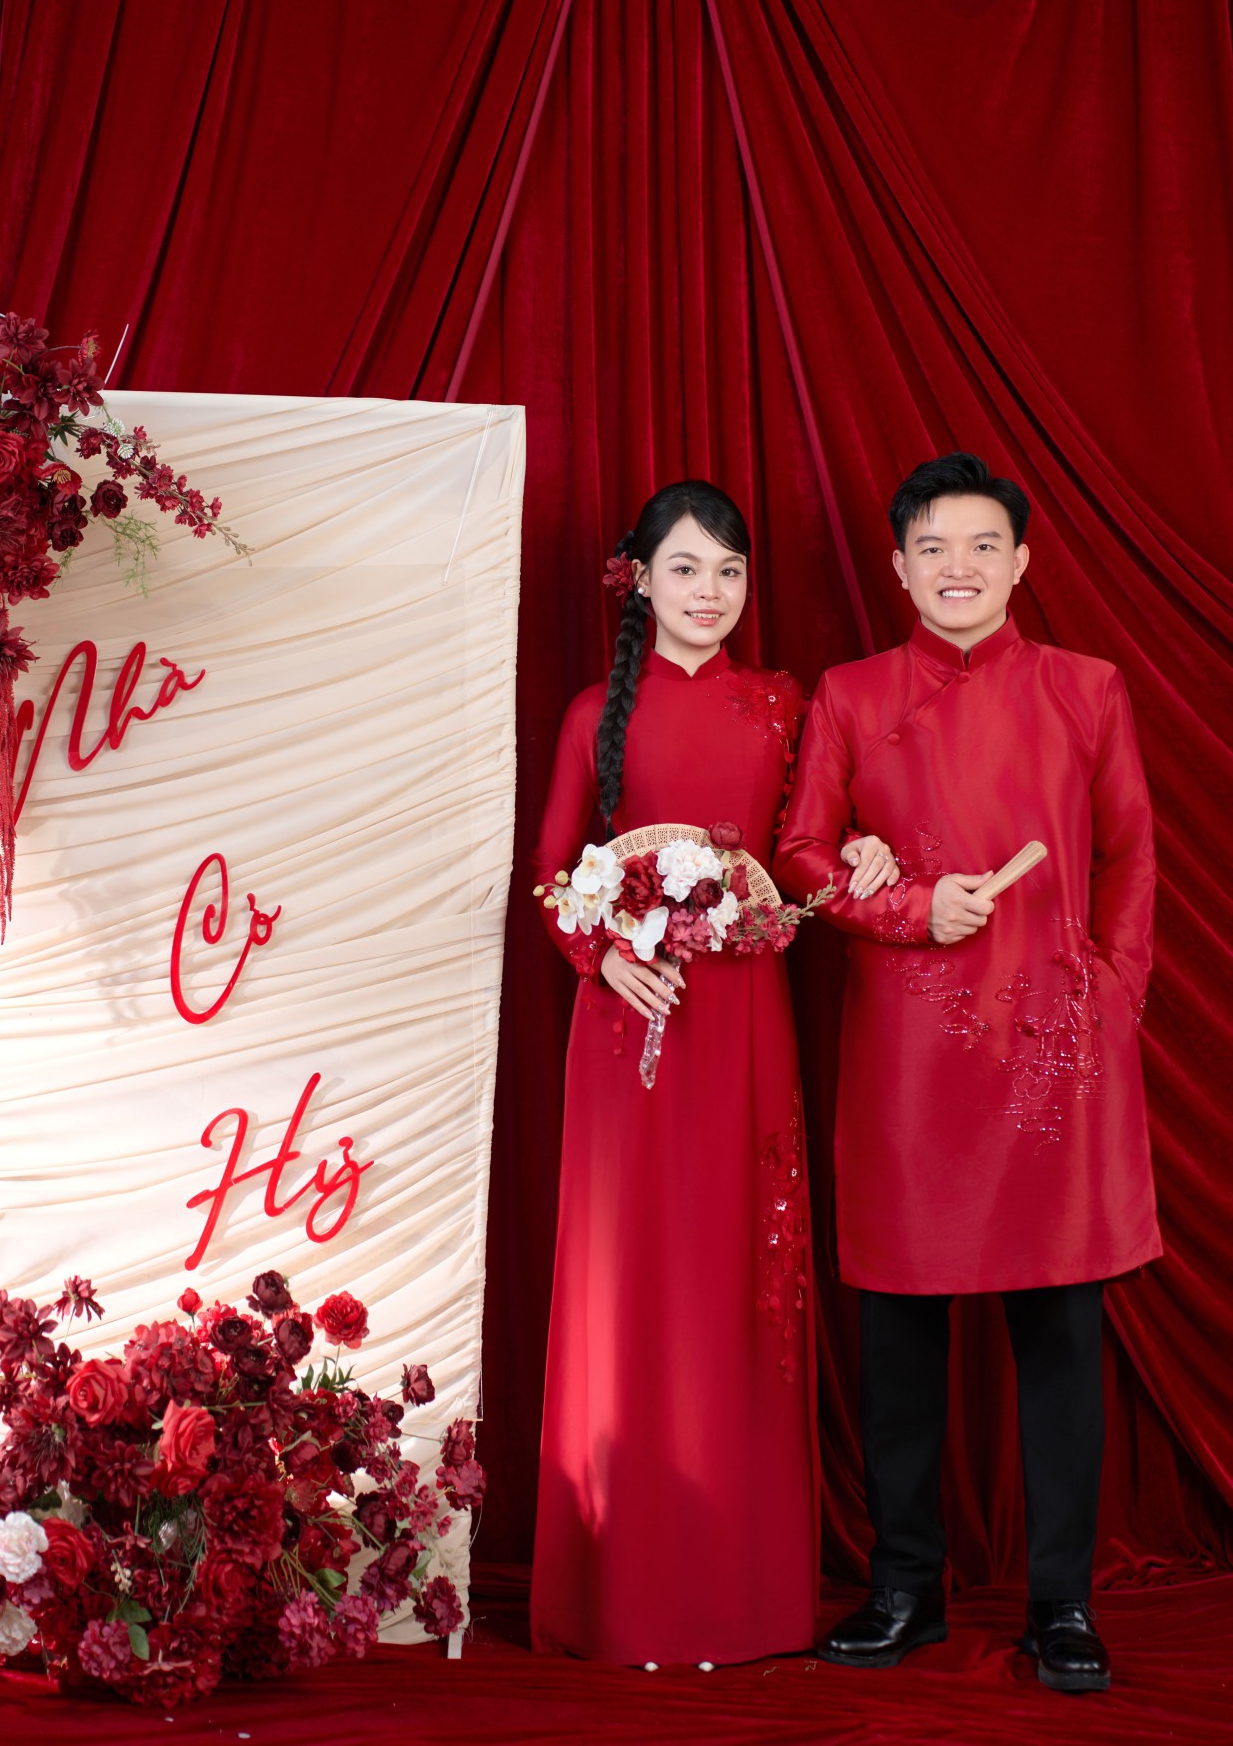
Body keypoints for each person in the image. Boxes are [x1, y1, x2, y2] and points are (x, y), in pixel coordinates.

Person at [773, 451, 1161, 1696]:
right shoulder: (848, 694)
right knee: (898, 1335)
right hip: (906, 1059)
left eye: (982, 544)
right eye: (933, 546)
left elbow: (1130, 856)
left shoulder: (1086, 688)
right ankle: (905, 1589)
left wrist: (1110, 1004)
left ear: (1021, 560)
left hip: (1055, 1053)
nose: (958, 567)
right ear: (898, 566)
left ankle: (1062, 1601)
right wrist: (906, 907)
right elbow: (799, 854)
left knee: (1060, 1338)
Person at [529, 480, 897, 1666]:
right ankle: (620, 1593)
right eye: (684, 569)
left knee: (742, 1281)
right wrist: (598, 956)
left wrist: (860, 853)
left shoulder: (782, 705)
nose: (709, 592)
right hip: (628, 1030)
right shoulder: (595, 713)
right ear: (639, 579)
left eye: (728, 570)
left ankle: (746, 1595)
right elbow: (551, 873)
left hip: (741, 1021)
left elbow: (807, 846)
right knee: (630, 1285)